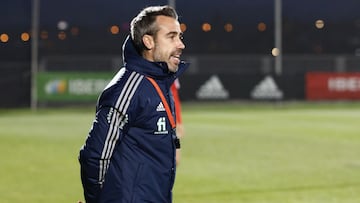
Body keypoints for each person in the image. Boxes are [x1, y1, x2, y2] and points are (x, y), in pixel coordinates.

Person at [78, 5, 189, 203]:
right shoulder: (129, 87)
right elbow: (95, 156)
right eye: (171, 37)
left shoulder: (159, 83)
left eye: (179, 37)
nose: (180, 44)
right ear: (148, 41)